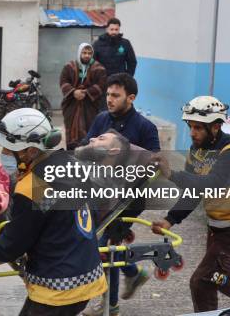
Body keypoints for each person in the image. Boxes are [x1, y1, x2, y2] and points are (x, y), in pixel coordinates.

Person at [0, 108, 107, 316]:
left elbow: (15, 241)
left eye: (8, 149)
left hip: (58, 289)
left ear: (30, 151)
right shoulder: (72, 164)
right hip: (88, 277)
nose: (4, 155)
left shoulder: (34, 187)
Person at [151, 96, 230, 313]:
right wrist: (170, 219)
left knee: (201, 281)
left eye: (198, 128)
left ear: (215, 126)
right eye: (190, 127)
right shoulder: (197, 150)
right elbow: (194, 190)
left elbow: (214, 184)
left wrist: (172, 174)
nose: (192, 133)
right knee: (217, 276)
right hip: (218, 228)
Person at [81, 73, 160, 316]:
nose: (109, 99)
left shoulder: (146, 128)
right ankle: (134, 273)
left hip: (129, 202)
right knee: (102, 248)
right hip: (99, 196)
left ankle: (109, 304)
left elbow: (155, 165)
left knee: (106, 251)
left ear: (131, 97)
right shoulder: (101, 119)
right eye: (108, 94)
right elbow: (86, 148)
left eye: (115, 95)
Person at [60, 42, 107, 150]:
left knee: (90, 128)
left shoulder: (99, 68)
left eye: (89, 53)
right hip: (71, 104)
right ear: (79, 53)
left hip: (90, 105)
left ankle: (87, 153)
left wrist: (86, 93)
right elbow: (63, 82)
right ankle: (71, 154)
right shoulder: (69, 66)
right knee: (71, 128)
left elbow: (101, 85)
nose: (87, 55)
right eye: (84, 53)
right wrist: (73, 92)